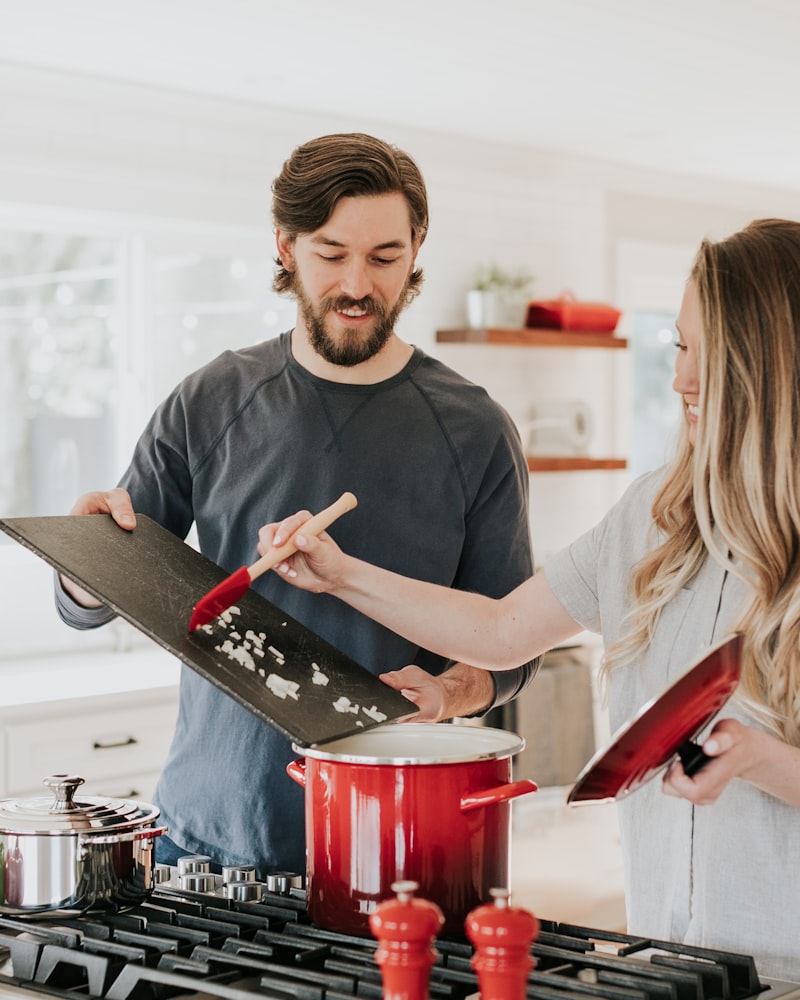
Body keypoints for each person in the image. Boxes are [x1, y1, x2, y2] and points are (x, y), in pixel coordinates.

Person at [264, 218, 800, 979]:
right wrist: (340, 573)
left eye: (707, 357)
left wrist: (759, 758)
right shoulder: (653, 515)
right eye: (679, 347)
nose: (681, 380)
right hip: (667, 963)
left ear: (773, 369)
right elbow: (503, 629)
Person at [55, 132, 539, 877]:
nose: (358, 284)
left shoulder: (476, 431)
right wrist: (81, 562)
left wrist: (450, 692)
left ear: (416, 251)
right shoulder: (209, 400)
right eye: (331, 253)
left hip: (391, 843)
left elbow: (513, 645)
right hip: (201, 841)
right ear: (285, 246)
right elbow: (97, 595)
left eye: (384, 257)